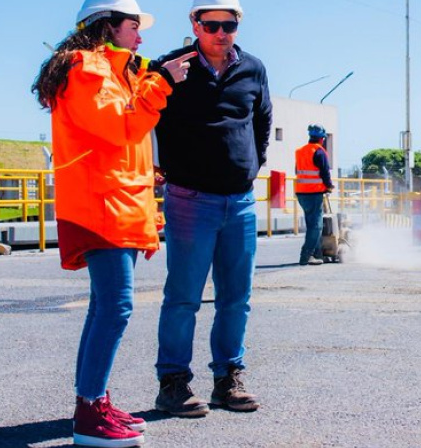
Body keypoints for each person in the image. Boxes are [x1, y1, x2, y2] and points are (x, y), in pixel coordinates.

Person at [32, 0, 194, 446]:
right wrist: (160, 83)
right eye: (134, 26)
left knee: (104, 308)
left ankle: (94, 401)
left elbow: (124, 138)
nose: (140, 36)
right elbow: (121, 127)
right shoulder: (86, 68)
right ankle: (89, 414)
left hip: (114, 201)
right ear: (109, 26)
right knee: (116, 308)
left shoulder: (113, 71)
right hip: (102, 205)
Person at [149, 0, 272, 417]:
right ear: (195, 24)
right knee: (183, 296)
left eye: (229, 25)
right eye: (212, 24)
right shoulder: (169, 67)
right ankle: (173, 383)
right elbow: (145, 116)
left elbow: (262, 120)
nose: (221, 32)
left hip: (239, 200)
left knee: (236, 297)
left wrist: (253, 165)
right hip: (189, 199)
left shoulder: (253, 68)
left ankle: (228, 379)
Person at [295, 124, 335, 266]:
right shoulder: (319, 151)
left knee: (311, 224)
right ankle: (307, 255)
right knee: (316, 226)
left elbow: (297, 171)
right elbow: (325, 172)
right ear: (321, 139)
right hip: (313, 193)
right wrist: (329, 186)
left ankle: (318, 254)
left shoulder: (300, 151)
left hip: (301, 193)